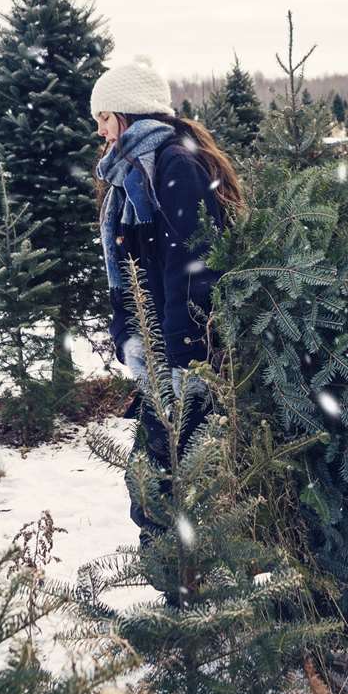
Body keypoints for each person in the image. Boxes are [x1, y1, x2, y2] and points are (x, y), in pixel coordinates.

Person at [91, 55, 245, 543]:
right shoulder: (135, 172)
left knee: (166, 487)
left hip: (185, 362)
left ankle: (189, 599)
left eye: (103, 118)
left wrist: (186, 365)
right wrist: (129, 336)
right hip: (163, 357)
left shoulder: (175, 163)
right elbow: (132, 270)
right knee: (155, 484)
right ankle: (180, 598)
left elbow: (194, 268)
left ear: (126, 114)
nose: (101, 132)